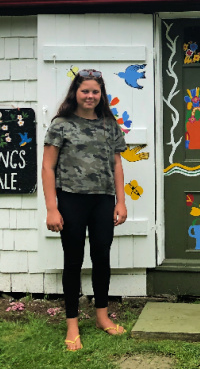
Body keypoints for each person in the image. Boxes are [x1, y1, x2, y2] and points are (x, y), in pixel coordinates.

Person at [42, 69, 128, 350]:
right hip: (71, 200)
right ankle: (72, 324)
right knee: (73, 259)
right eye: (85, 91)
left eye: (95, 91)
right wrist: (52, 208)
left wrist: (121, 201)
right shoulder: (61, 124)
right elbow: (48, 167)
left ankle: (102, 316)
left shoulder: (109, 125)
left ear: (101, 95)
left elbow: (117, 164)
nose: (90, 96)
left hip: (103, 200)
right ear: (75, 93)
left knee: (102, 256)